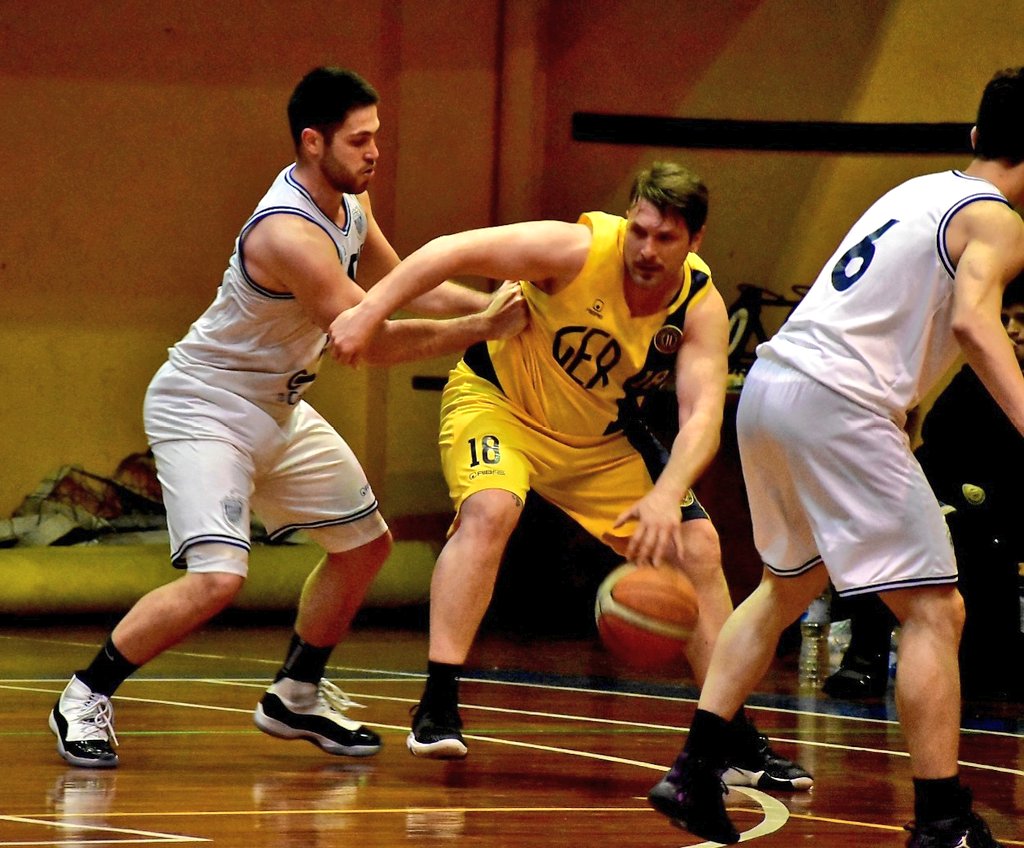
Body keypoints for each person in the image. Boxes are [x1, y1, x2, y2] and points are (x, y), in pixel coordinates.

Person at [48, 66, 527, 769]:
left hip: (276, 404)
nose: (374, 153)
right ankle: (85, 693)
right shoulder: (287, 233)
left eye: (377, 138)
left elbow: (399, 285)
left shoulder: (349, 207)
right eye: (360, 140)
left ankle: (296, 693)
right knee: (218, 579)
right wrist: (485, 328)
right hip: (205, 406)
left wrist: (498, 303)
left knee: (365, 547)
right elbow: (372, 335)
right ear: (312, 142)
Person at [328, 162, 813, 791]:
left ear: (694, 242)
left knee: (699, 546)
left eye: (665, 239)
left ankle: (729, 738)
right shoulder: (576, 249)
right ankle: (438, 701)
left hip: (598, 442)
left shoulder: (701, 306)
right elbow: (448, 252)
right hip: (500, 402)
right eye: (639, 230)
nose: (644, 249)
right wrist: (369, 314)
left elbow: (702, 421)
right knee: (493, 508)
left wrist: (668, 494)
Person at [648, 67, 1024, 848]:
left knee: (787, 587)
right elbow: (976, 325)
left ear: (978, 136)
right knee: (935, 609)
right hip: (837, 405)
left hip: (775, 387)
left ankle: (693, 769)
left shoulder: (914, 193)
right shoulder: (997, 221)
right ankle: (941, 818)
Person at [825, 275, 1024, 702]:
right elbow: (937, 442)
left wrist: (974, 502)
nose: (1011, 330)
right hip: (959, 500)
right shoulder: (975, 379)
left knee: (969, 537)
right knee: (883, 523)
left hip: (1005, 515)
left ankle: (980, 667)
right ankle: (864, 662)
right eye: (1004, 319)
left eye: (1021, 320)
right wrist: (936, 500)